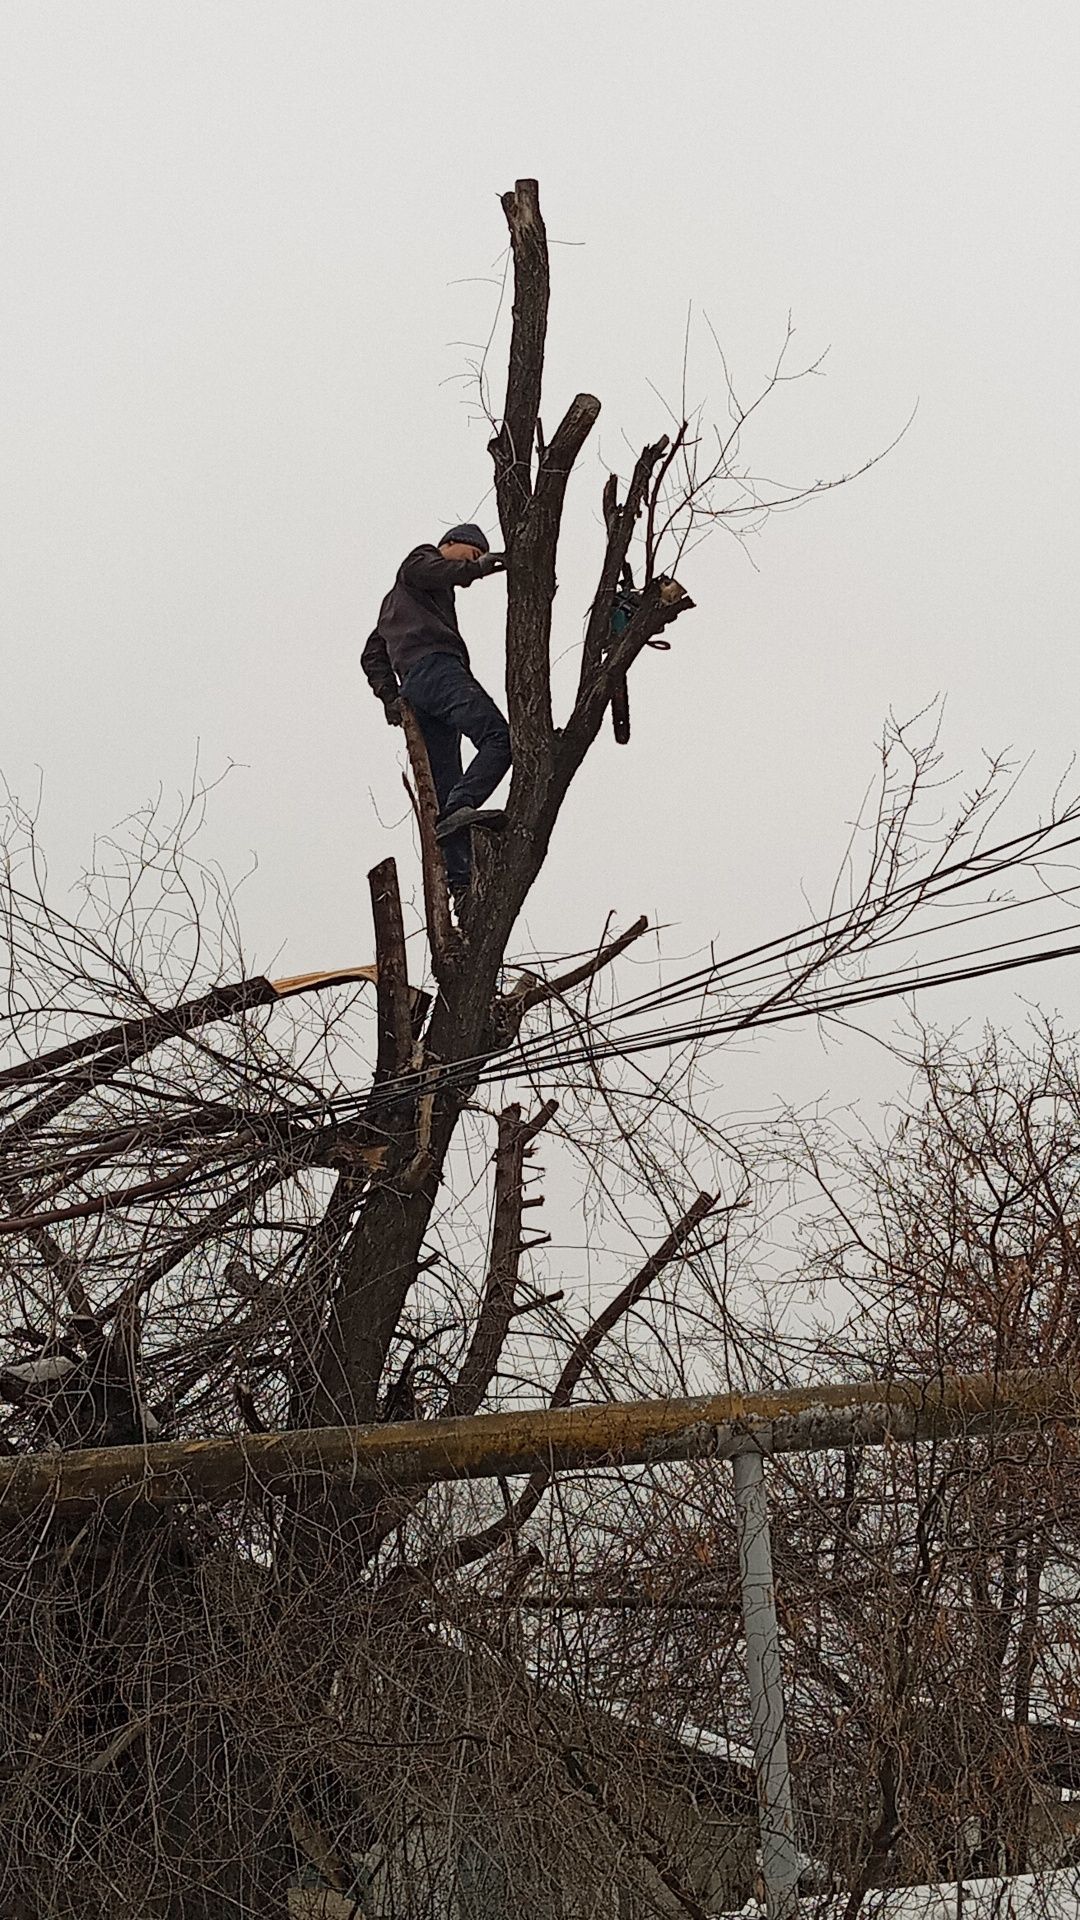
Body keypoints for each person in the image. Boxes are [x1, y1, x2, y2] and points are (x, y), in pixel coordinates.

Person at [361, 523, 511, 905]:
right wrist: (478, 568)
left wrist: (392, 699)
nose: (472, 567)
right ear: (450, 544)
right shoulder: (420, 561)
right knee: (500, 738)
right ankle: (464, 805)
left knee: (445, 783)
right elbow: (433, 570)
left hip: (416, 689)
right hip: (438, 671)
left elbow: (372, 653)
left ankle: (461, 886)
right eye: (471, 554)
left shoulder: (397, 602)